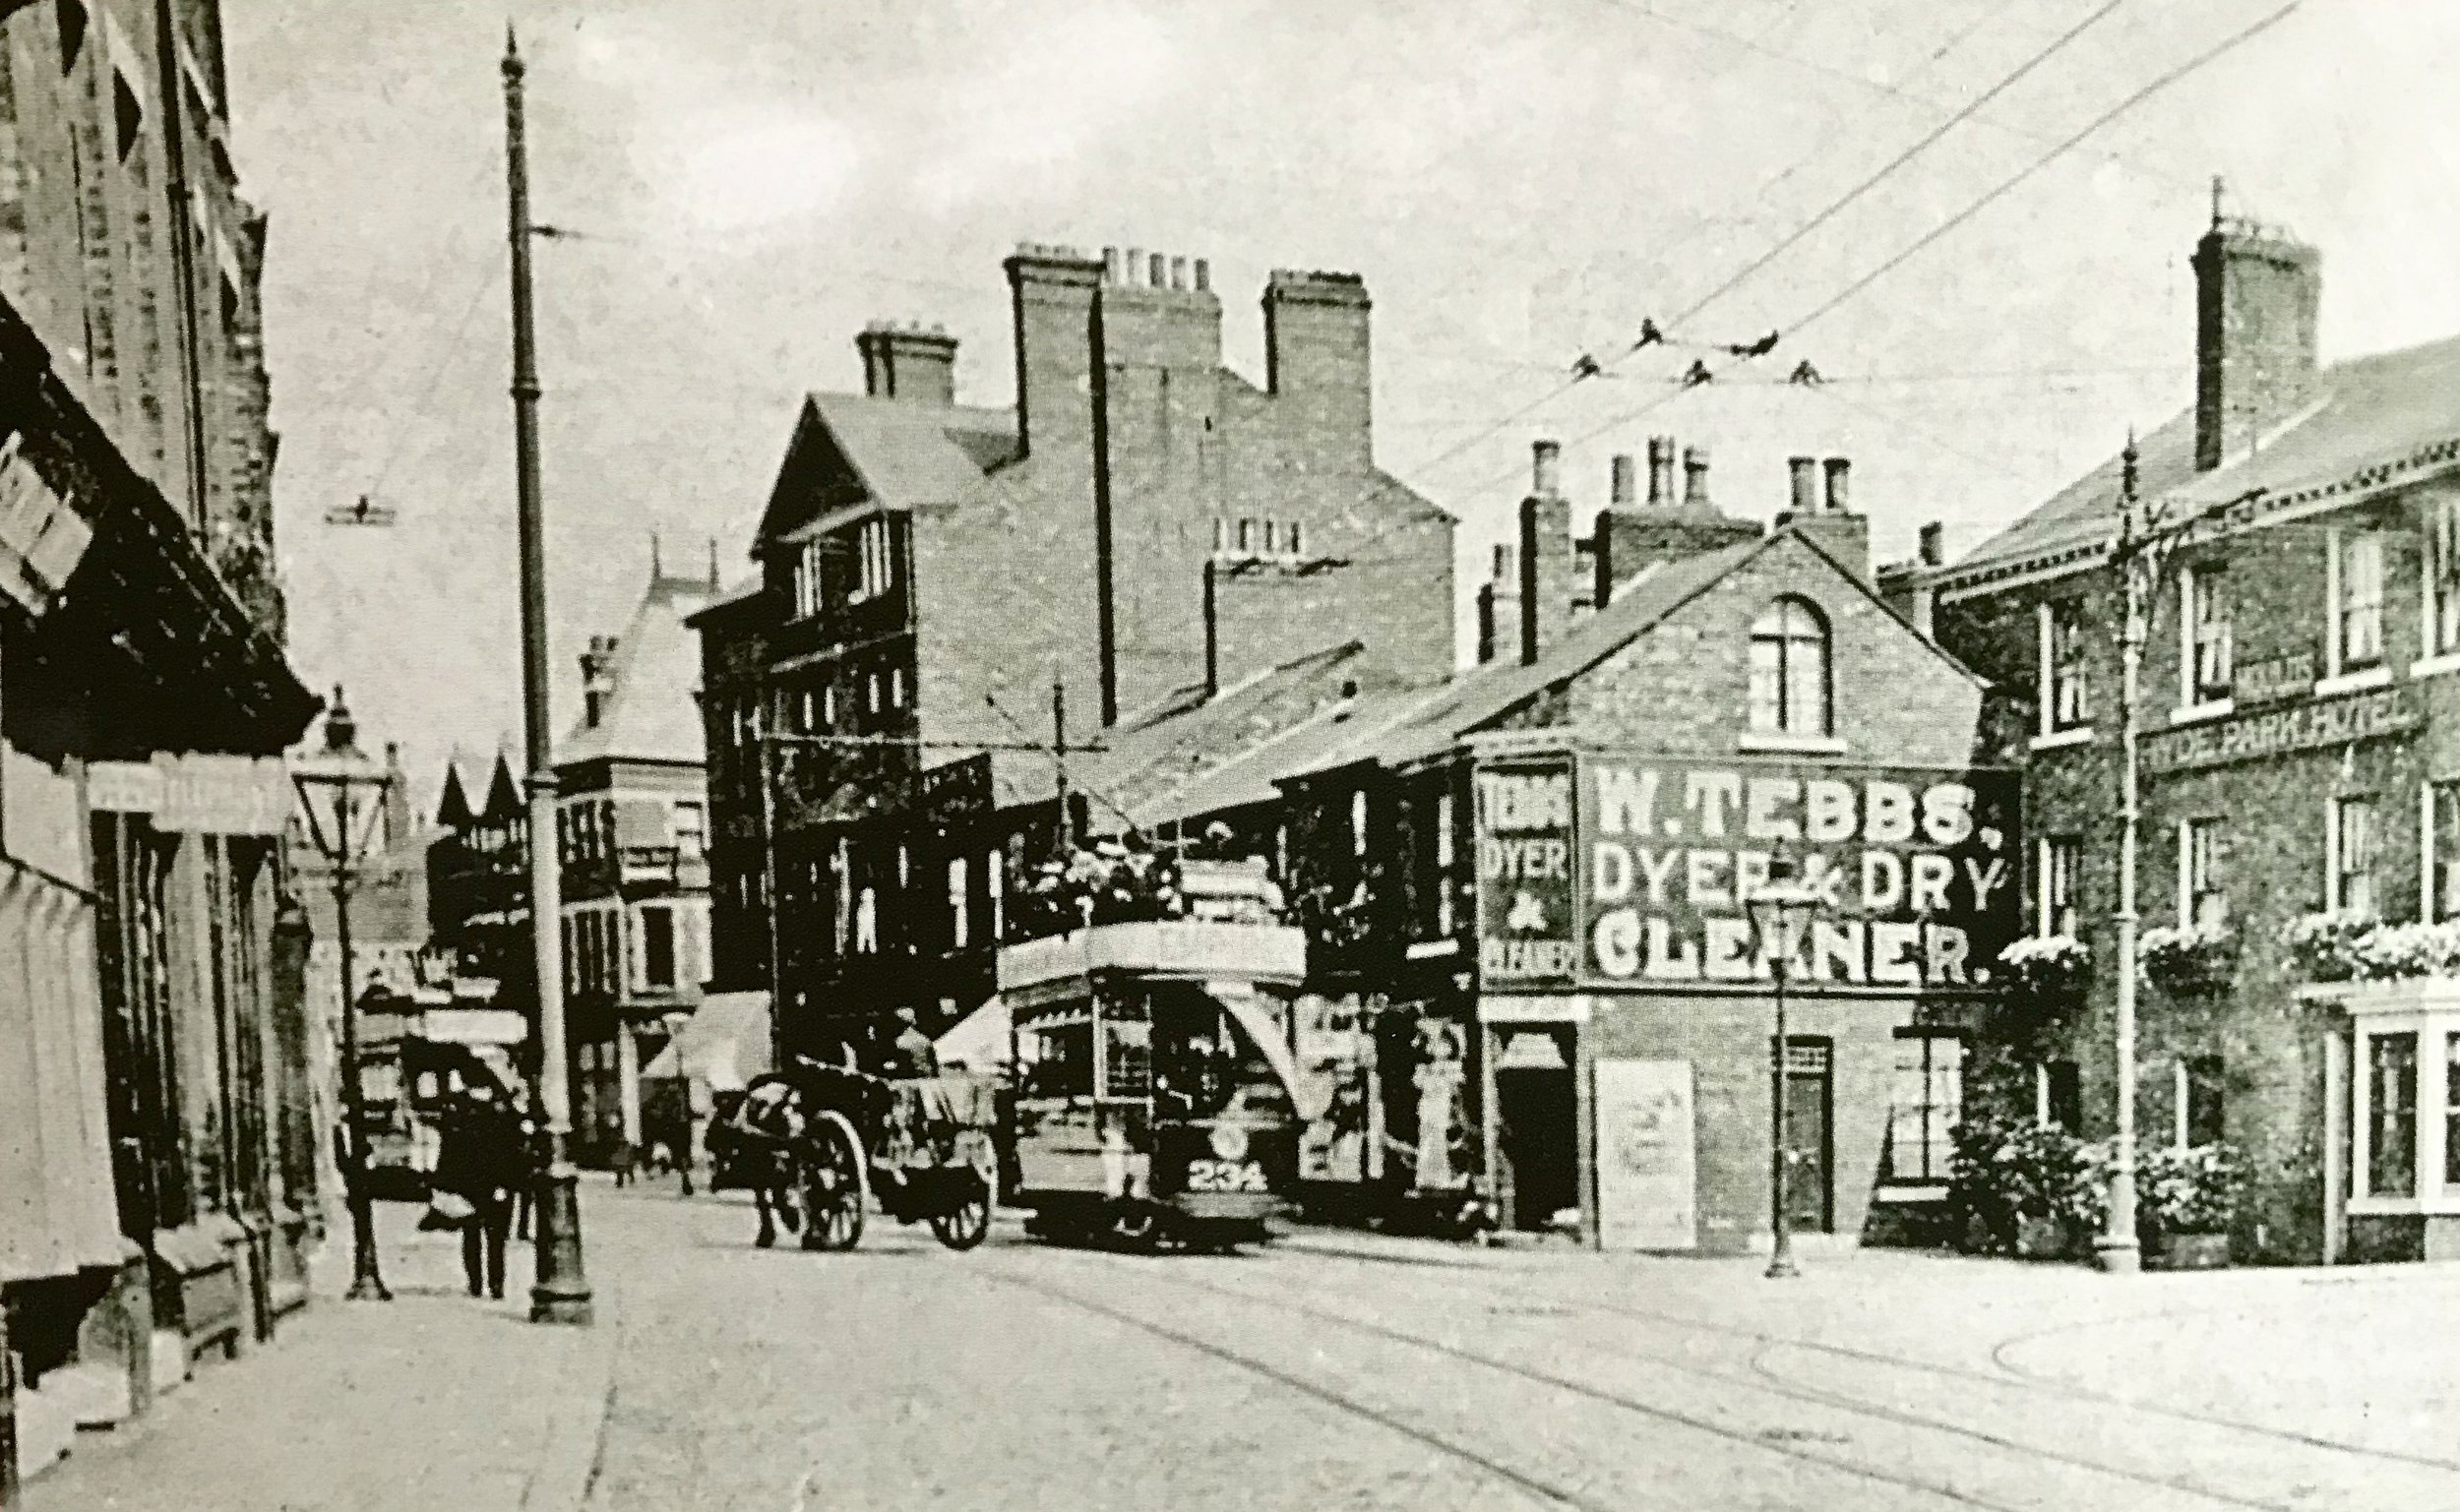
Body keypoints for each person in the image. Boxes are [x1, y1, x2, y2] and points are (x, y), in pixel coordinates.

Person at [433, 1080, 524, 1300]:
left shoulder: (458, 1119)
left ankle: (478, 1283)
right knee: (494, 1239)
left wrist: (445, 1185)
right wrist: (506, 1184)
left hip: (472, 1187)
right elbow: (512, 1154)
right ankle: (494, 1285)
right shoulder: (502, 1119)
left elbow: (448, 1157)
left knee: (473, 1236)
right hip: (492, 1187)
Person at [891, 1006, 939, 1080]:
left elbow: (902, 1067)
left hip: (911, 1079)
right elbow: (934, 1064)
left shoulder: (900, 1041)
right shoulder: (925, 1039)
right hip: (928, 1076)